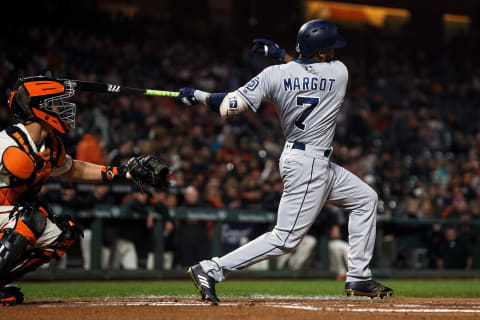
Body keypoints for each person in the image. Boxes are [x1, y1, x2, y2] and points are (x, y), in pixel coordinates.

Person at [177, 19, 393, 304]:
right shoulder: (340, 72)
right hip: (309, 165)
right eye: (329, 48)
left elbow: (229, 107)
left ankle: (359, 277)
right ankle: (211, 269)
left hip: (308, 160)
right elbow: (310, 71)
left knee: (366, 198)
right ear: (320, 52)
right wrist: (282, 55)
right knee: (284, 239)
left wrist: (198, 95)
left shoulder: (273, 75)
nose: (333, 52)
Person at [0, 76, 168, 304]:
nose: (63, 108)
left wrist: (124, 172)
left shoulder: (50, 143)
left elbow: (72, 170)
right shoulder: (8, 142)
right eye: (56, 103)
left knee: (63, 234)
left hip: (8, 216)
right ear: (40, 107)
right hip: (8, 214)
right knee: (30, 217)